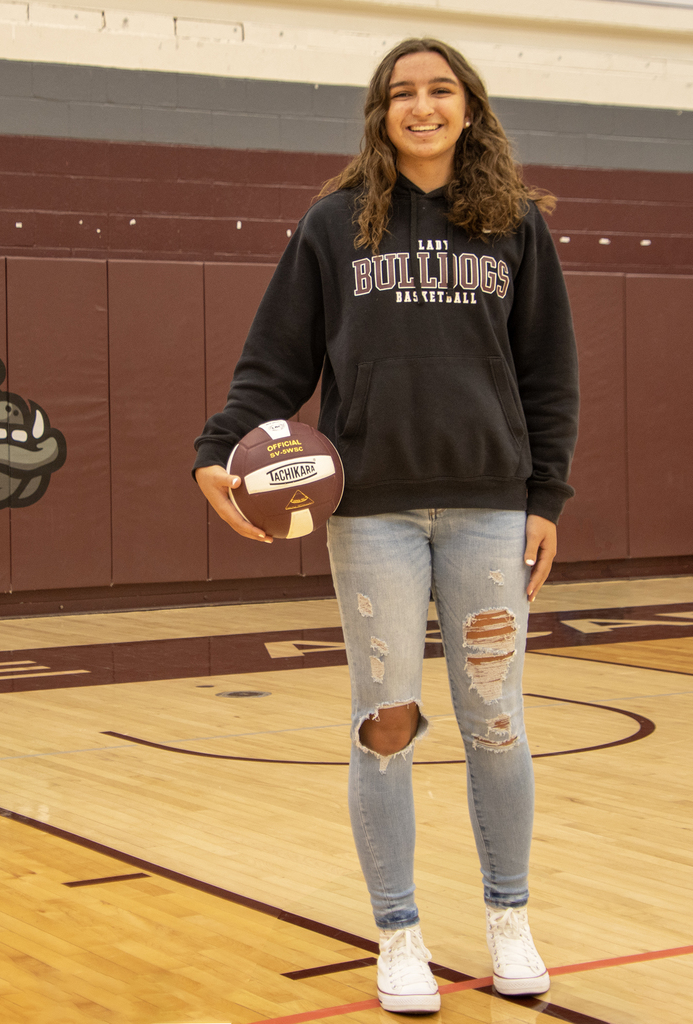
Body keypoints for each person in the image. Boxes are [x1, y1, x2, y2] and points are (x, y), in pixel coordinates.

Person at [193, 37, 578, 1015]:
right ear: (379, 110)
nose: (420, 106)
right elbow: (274, 360)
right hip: (371, 515)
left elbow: (548, 377)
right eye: (401, 92)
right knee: (384, 724)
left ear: (467, 106)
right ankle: (398, 933)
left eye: (438, 90)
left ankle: (506, 917)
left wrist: (545, 499)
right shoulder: (333, 226)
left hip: (491, 508)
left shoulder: (514, 227)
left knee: (495, 723)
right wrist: (216, 446)